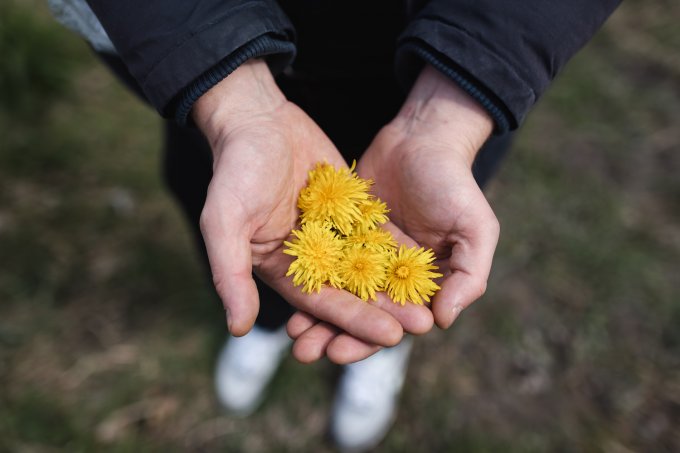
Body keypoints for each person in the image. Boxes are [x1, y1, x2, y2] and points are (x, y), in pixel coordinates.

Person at [47, 0, 621, 450]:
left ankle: (379, 347)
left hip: (430, 40)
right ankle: (266, 324)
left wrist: (461, 90)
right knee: (230, 199)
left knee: (429, 200)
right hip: (198, 42)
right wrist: (227, 90)